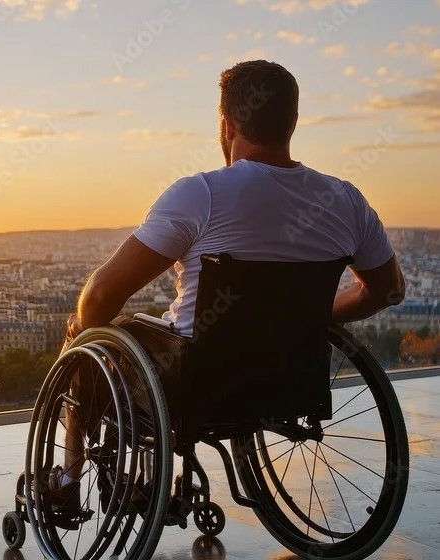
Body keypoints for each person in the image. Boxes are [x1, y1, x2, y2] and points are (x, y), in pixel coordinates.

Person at [47, 59, 406, 520]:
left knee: (83, 334)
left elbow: (98, 299)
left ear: (227, 124)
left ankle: (69, 479)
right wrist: (310, 316)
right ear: (293, 122)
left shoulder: (201, 195)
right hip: (288, 382)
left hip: (190, 384)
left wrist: (88, 335)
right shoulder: (346, 201)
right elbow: (388, 290)